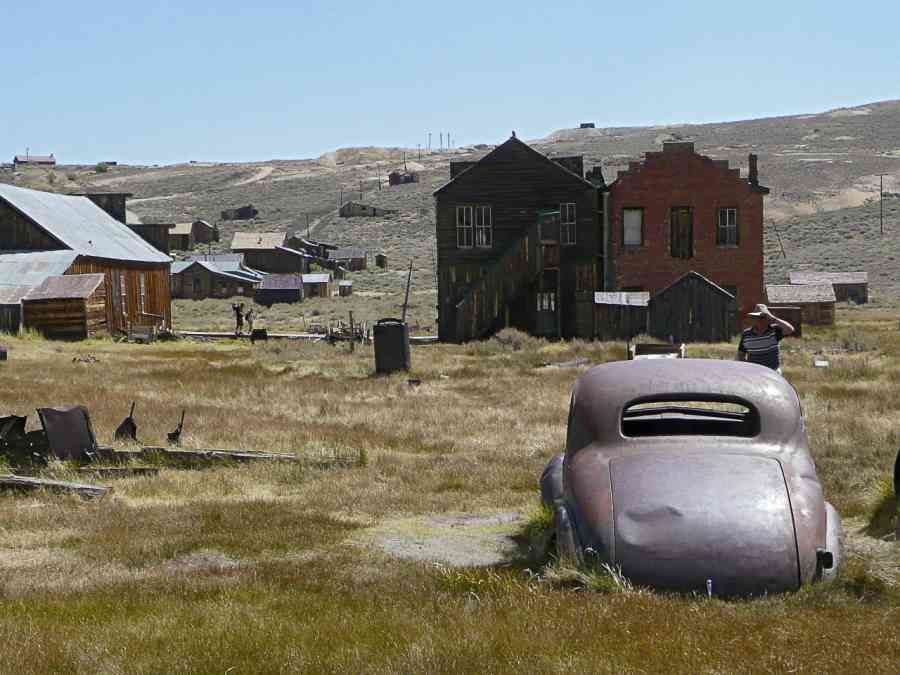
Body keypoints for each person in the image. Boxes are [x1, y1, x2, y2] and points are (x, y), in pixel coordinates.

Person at [736, 304, 794, 373]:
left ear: (767, 318)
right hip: (754, 373)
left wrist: (773, 318)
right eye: (757, 317)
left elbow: (790, 329)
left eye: (763, 317)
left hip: (773, 372)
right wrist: (748, 368)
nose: (760, 320)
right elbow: (741, 354)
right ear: (754, 318)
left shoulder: (774, 330)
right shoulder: (746, 334)